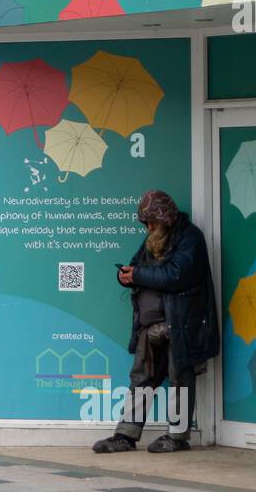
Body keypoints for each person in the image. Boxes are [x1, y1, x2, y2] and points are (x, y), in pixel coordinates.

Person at [93, 190, 219, 454]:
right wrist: (125, 275)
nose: (148, 227)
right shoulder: (152, 239)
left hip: (180, 323)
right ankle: (125, 436)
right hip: (150, 327)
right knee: (141, 378)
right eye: (145, 223)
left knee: (180, 378)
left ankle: (177, 437)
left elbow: (174, 276)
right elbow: (135, 266)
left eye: (152, 221)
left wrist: (137, 275)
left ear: (166, 217)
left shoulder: (190, 238)